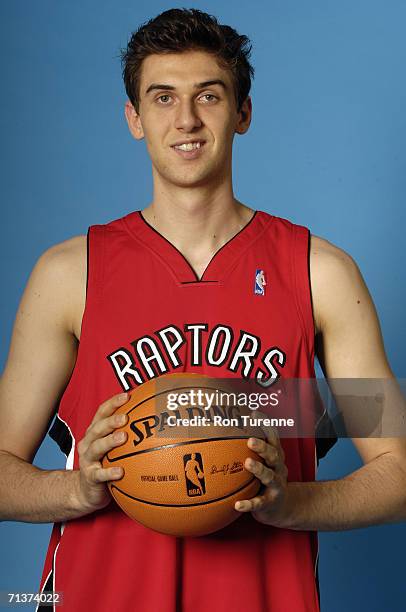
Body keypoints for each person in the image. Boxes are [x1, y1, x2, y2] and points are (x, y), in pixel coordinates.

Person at [0, 7, 405, 612]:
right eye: (162, 97)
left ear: (242, 113)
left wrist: (292, 505)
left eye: (208, 96)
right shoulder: (70, 275)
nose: (185, 119)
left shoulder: (318, 273)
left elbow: (398, 470)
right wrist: (76, 489)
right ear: (133, 118)